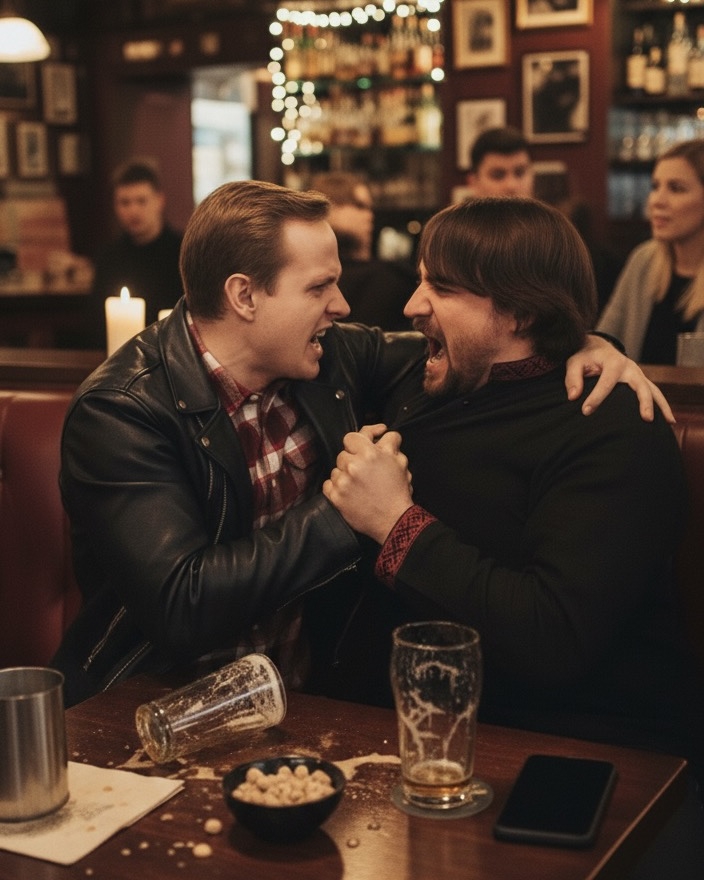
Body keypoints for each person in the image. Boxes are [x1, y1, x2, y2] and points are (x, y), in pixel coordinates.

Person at [52, 179, 667, 709]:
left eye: (441, 286)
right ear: (244, 296)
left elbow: (508, 352)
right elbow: (182, 606)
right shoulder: (123, 411)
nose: (345, 306)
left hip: (310, 703)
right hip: (148, 702)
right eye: (319, 287)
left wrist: (590, 342)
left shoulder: (327, 358)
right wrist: (347, 512)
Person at [322, 197, 703, 793]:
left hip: (573, 752)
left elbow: (552, 638)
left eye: (442, 288)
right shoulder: (432, 376)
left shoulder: (610, 427)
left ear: (522, 312)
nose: (413, 305)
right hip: (398, 732)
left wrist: (394, 522)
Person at [467, 126, 622, 313]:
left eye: (520, 172)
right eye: (498, 175)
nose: (511, 185)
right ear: (473, 183)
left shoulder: (560, 241)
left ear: (532, 175)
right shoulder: (460, 244)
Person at [598, 139, 704, 364]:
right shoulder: (643, 260)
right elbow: (602, 343)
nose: (657, 201)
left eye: (676, 188)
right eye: (655, 187)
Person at [86, 158, 184, 347]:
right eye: (125, 202)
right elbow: (96, 321)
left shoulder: (183, 251)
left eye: (141, 201)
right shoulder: (109, 257)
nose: (133, 210)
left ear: (159, 201)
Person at [309, 171, 415, 330]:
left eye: (369, 208)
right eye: (360, 206)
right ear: (329, 208)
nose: (369, 215)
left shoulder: (391, 277)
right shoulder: (308, 275)